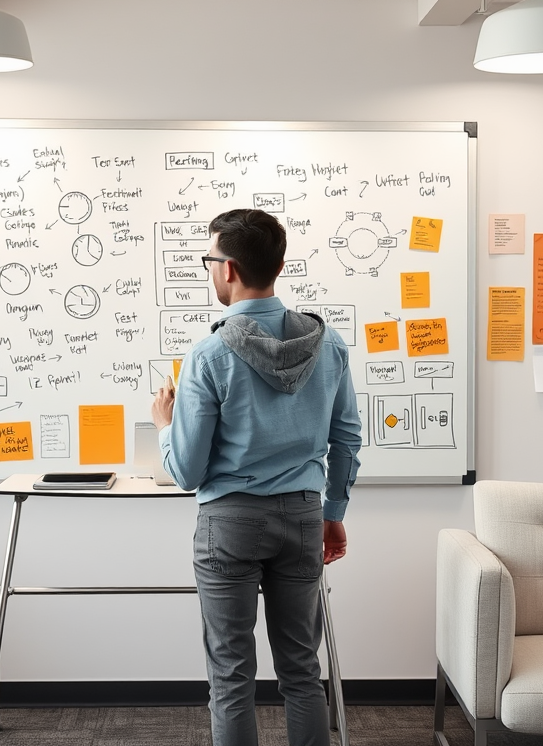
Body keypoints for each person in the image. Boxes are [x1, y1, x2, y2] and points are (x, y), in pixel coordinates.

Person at [151, 208, 362, 746]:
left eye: (209, 260)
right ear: (280, 264)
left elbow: (186, 471)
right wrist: (332, 516)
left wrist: (164, 425)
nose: (209, 270)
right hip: (302, 516)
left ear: (228, 269)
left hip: (230, 522)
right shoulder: (330, 345)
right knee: (301, 671)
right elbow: (347, 440)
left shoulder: (208, 354)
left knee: (230, 677)